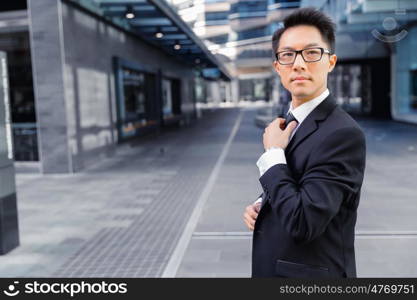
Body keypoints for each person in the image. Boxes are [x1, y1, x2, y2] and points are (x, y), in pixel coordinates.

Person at [243, 7, 366, 278]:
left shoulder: (342, 133)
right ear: (278, 67)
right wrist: (264, 204)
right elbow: (300, 183)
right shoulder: (291, 121)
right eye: (288, 55)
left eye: (311, 53)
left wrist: (273, 154)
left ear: (331, 62)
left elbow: (304, 221)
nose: (298, 64)